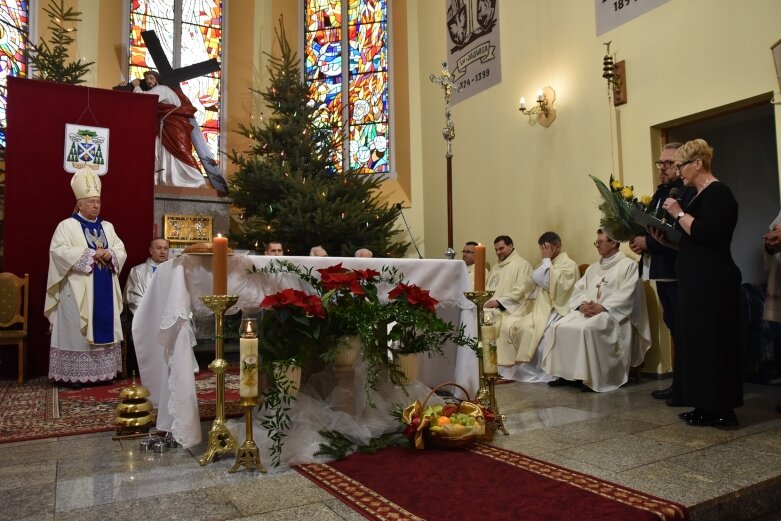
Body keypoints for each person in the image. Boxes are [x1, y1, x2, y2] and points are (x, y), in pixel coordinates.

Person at [652, 138, 742, 427]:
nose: (679, 172)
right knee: (697, 344)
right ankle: (704, 405)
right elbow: (695, 243)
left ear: (698, 163)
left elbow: (709, 235)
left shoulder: (719, 194)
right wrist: (669, 241)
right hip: (696, 279)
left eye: (681, 165)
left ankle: (723, 410)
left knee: (714, 344)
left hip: (714, 281)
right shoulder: (697, 196)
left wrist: (678, 213)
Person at [45, 170, 127, 388]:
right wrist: (91, 254)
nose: (96, 205)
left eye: (98, 202)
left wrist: (111, 254)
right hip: (77, 288)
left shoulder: (107, 226)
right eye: (91, 202)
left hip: (104, 288)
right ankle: (74, 375)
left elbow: (120, 249)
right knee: (76, 328)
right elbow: (58, 251)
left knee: (104, 325)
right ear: (79, 204)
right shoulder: (67, 226)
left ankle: (104, 373)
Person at [541, 229, 651, 392]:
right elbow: (578, 290)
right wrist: (581, 305)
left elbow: (629, 293)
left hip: (613, 315)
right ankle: (566, 375)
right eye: (596, 242)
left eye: (600, 242)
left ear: (613, 243)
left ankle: (592, 377)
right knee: (557, 326)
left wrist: (604, 306)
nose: (597, 245)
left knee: (587, 329)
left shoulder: (629, 266)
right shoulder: (593, 268)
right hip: (587, 311)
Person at [629, 142, 694, 405]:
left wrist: (649, 243)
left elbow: (679, 233)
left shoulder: (685, 194)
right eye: (661, 163)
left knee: (684, 330)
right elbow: (653, 225)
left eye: (668, 163)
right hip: (661, 270)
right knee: (673, 326)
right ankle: (679, 383)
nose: (663, 169)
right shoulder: (662, 193)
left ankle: (687, 385)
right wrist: (637, 238)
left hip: (678, 270)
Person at [496, 232, 579, 382]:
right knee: (506, 324)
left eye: (547, 247)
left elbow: (549, 283)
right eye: (542, 248)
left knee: (526, 328)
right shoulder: (543, 263)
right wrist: (501, 301)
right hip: (534, 307)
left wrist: (546, 260)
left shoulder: (568, 264)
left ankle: (525, 373)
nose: (544, 251)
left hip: (553, 309)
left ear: (558, 246)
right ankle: (507, 370)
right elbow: (527, 284)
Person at [127, 70, 207, 188]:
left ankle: (198, 180)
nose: (149, 81)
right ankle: (168, 179)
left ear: (157, 79)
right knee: (163, 152)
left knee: (180, 150)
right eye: (147, 79)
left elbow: (145, 98)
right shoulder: (157, 90)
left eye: (151, 78)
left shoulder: (162, 89)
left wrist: (136, 86)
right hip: (164, 125)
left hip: (174, 124)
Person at [484, 235, 533, 313]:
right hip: (489, 308)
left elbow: (521, 291)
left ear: (510, 246)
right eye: (496, 249)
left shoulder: (523, 265)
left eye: (501, 248)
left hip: (507, 309)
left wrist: (498, 302)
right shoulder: (495, 267)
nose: (498, 252)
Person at [124, 238, 170, 314]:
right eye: (159, 248)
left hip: (170, 318)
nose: (162, 251)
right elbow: (134, 298)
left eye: (165, 248)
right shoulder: (137, 271)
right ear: (150, 250)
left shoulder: (174, 271)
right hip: (147, 318)